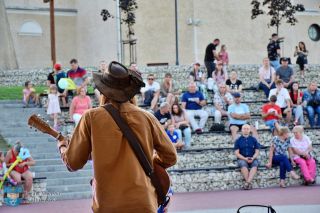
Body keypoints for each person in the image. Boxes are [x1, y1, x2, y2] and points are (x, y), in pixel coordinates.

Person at [57, 61, 177, 212]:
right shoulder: (147, 117)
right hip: (144, 203)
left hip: (108, 205)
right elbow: (170, 157)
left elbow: (73, 163)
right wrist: (147, 161)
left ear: (103, 90)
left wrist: (62, 146)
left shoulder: (91, 118)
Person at [234, 124, 260, 190]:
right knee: (243, 164)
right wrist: (245, 158)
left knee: (255, 164)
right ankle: (248, 183)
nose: (246, 130)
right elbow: (237, 153)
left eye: (247, 129)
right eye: (244, 129)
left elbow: (257, 151)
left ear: (249, 130)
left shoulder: (254, 139)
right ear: (242, 130)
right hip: (242, 158)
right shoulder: (238, 140)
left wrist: (253, 158)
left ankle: (247, 183)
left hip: (252, 157)